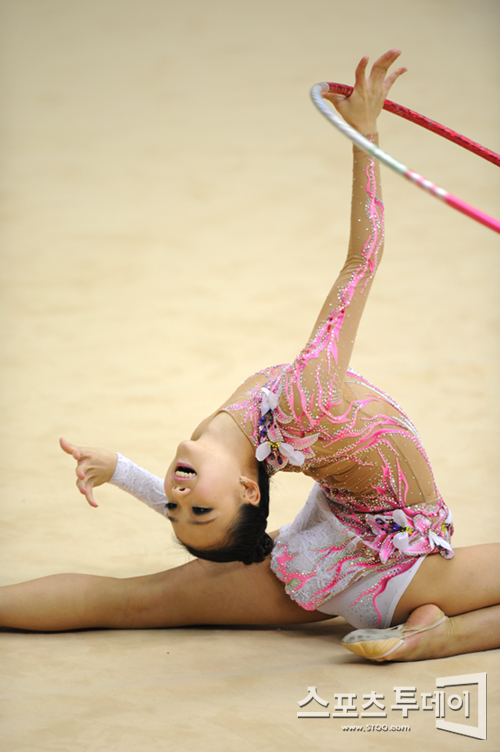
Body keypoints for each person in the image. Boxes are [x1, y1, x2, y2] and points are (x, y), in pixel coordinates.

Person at [1, 51, 499, 663]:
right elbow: (361, 261)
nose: (176, 495)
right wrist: (364, 135)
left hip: (322, 560)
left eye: (174, 508)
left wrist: (123, 470)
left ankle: (427, 628)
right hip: (397, 567)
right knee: (136, 597)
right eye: (194, 507)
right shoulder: (302, 403)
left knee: (131, 602)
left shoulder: (216, 444)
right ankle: (441, 636)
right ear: (247, 489)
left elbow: (220, 516)